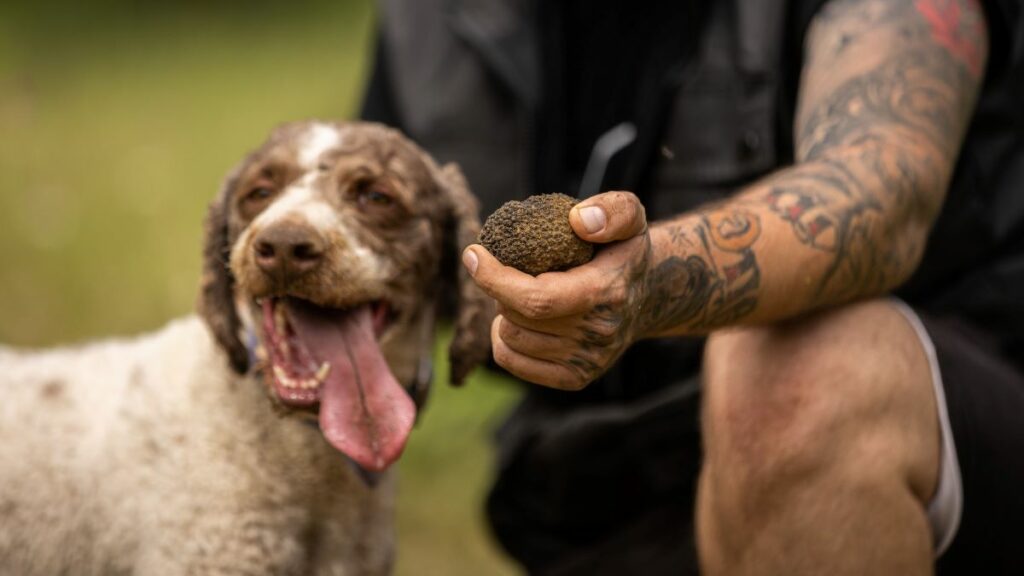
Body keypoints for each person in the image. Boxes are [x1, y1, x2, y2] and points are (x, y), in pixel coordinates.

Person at [362, 0, 1024, 573]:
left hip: (954, 438)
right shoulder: (429, 19)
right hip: (614, 489)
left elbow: (880, 197)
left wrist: (649, 277)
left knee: (801, 375)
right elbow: (384, 241)